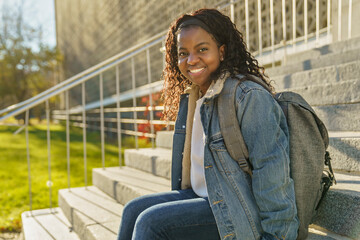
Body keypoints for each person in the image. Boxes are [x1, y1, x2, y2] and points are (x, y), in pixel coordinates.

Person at [117, 8, 299, 240]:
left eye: (202, 50)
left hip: (239, 210)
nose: (191, 60)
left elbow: (271, 170)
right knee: (133, 209)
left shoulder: (248, 96)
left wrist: (277, 236)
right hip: (206, 198)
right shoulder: (193, 98)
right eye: (183, 53)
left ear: (221, 52)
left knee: (151, 223)